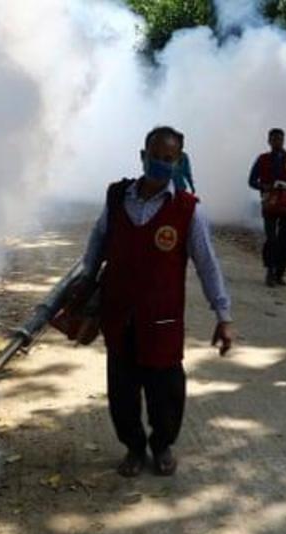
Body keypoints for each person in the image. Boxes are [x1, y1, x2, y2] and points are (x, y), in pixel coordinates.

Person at [81, 126, 233, 477]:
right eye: (156, 157)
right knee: (122, 391)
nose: (161, 164)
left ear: (178, 161)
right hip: (119, 315)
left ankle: (162, 445)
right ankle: (133, 447)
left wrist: (223, 315)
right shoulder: (117, 198)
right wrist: (84, 295)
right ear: (142, 156)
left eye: (169, 159)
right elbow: (94, 249)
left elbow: (208, 265)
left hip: (163, 320)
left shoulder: (188, 210)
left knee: (166, 391)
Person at [248, 128, 286, 286]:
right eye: (274, 139)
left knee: (285, 240)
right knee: (271, 239)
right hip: (270, 204)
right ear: (269, 141)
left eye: (280, 139)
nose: (277, 142)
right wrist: (265, 187)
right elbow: (252, 181)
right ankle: (270, 271)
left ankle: (280, 273)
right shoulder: (262, 159)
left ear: (283, 140)